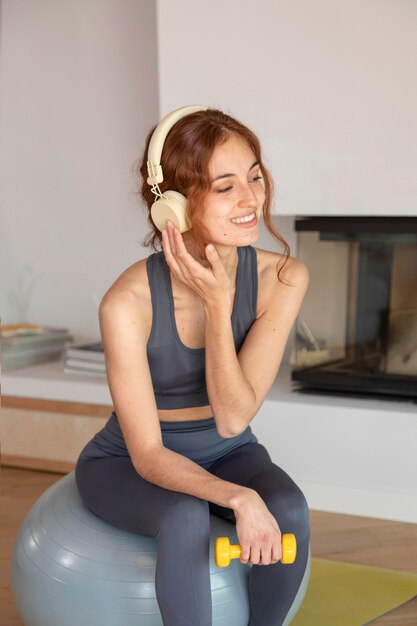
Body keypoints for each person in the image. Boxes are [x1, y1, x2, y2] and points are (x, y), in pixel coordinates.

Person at [75, 105, 310, 626]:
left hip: (229, 449)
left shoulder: (284, 278)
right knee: (184, 517)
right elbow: (149, 454)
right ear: (175, 208)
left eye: (254, 177)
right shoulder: (126, 304)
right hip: (129, 462)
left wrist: (217, 305)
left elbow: (232, 420)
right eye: (226, 187)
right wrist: (238, 498)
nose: (252, 199)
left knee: (290, 510)